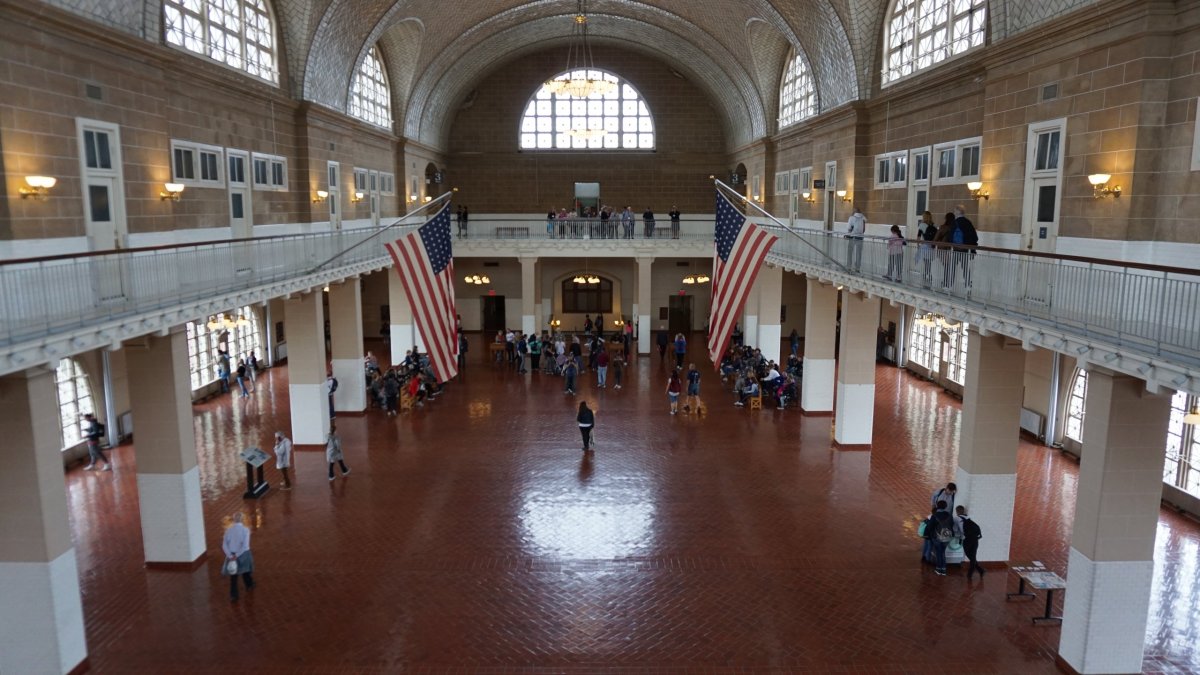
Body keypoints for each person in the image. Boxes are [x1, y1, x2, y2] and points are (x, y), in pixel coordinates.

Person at [222, 512, 255, 602]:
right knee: (245, 571)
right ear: (242, 519)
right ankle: (249, 585)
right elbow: (245, 546)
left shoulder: (228, 530)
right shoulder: (245, 530)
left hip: (231, 554)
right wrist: (237, 555)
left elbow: (224, 545)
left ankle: (234, 595)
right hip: (243, 554)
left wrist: (230, 555)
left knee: (233, 576)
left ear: (233, 519)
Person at [949, 205, 979, 288]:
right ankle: (968, 285)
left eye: (955, 211)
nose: (954, 213)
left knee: (952, 267)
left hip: (955, 249)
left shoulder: (954, 223)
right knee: (966, 268)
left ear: (957, 212)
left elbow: (950, 237)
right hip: (965, 250)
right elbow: (975, 237)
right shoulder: (968, 222)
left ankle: (949, 285)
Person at [956, 505, 985, 579]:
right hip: (975, 539)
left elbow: (955, 530)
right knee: (973, 556)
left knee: (971, 556)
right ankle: (980, 570)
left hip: (967, 539)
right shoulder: (968, 518)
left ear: (957, 511)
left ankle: (970, 574)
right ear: (963, 511)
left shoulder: (956, 519)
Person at [928, 500, 956, 576]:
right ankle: (943, 569)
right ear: (946, 506)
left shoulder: (935, 515)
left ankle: (939, 569)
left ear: (937, 506)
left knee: (939, 553)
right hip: (947, 537)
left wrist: (930, 535)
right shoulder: (950, 515)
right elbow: (952, 525)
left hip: (937, 537)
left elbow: (930, 527)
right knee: (943, 552)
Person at [915, 210, 937, 285]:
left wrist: (918, 245)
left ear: (924, 217)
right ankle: (929, 274)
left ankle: (926, 274)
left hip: (925, 245)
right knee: (929, 262)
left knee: (925, 261)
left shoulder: (922, 225)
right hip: (931, 246)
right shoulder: (934, 225)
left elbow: (918, 236)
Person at [845, 206, 866, 271]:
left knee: (850, 252)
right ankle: (857, 268)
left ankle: (849, 266)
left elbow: (849, 228)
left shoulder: (851, 218)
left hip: (852, 236)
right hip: (860, 237)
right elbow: (864, 229)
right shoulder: (863, 218)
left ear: (854, 211)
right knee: (859, 253)